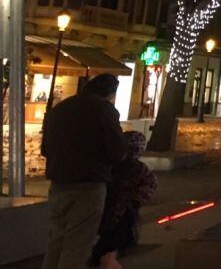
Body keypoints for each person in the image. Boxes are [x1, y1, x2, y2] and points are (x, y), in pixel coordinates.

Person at [41, 74, 128, 269]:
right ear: (110, 93)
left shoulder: (60, 109)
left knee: (56, 241)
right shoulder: (104, 110)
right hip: (89, 184)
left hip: (59, 183)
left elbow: (45, 149)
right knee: (77, 244)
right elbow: (118, 151)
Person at [90, 131, 157, 269]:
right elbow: (150, 185)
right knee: (111, 248)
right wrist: (136, 200)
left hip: (107, 210)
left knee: (106, 247)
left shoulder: (111, 166)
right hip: (124, 213)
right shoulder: (139, 169)